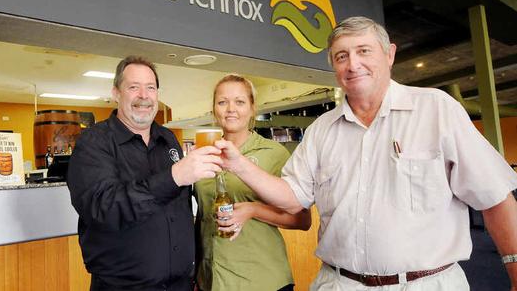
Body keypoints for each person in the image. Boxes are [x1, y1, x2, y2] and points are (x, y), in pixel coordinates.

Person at [215, 16, 517, 290]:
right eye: (341, 56)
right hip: (339, 283)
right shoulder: (322, 130)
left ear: (389, 55)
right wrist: (239, 164)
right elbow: (293, 198)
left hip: (425, 284)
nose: (352, 64)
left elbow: (495, 198)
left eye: (364, 51)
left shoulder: (436, 109)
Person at [67, 56, 223, 291]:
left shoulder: (168, 138)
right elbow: (104, 208)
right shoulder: (93, 142)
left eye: (151, 88)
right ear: (116, 93)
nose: (144, 95)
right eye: (133, 87)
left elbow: (179, 210)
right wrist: (173, 177)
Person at [194, 74, 311, 291]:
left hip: (260, 279)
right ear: (213, 110)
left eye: (239, 102)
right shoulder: (204, 155)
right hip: (211, 280)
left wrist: (253, 209)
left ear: (252, 108)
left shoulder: (273, 153)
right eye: (222, 102)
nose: (230, 108)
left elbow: (302, 220)